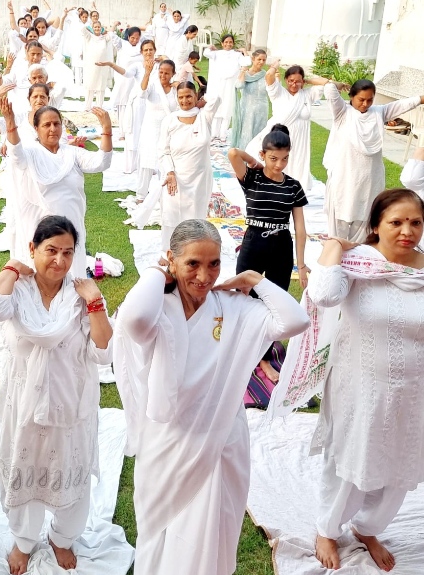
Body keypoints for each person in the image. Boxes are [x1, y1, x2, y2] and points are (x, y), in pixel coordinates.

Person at [114, 219, 309, 575]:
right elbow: (134, 319)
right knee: (158, 531)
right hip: (168, 441)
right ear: (172, 260)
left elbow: (294, 321)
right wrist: (156, 273)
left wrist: (255, 281)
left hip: (221, 439)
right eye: (192, 263)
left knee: (214, 534)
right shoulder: (159, 305)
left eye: (214, 263)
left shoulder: (230, 307)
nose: (205, 276)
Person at [296, 189, 424, 571]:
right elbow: (321, 295)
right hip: (361, 386)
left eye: (415, 222)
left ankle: (369, 528)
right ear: (376, 226)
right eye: (396, 222)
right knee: (351, 461)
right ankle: (327, 529)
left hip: (413, 390)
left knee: (401, 464)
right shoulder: (359, 264)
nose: (407, 231)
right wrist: (336, 247)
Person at [0, 215, 113, 575]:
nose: (59, 261)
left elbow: (105, 352)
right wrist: (12, 267)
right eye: (50, 250)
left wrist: (96, 301)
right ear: (32, 249)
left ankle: (62, 538)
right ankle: (24, 542)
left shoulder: (80, 292)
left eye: (68, 252)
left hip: (70, 402)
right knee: (25, 469)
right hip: (22, 403)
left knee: (69, 470)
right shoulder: (18, 289)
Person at [228, 125, 309, 382]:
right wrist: (254, 162)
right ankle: (236, 348)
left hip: (281, 246)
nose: (279, 164)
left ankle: (261, 358)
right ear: (264, 155)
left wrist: (302, 265)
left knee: (273, 304)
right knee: (243, 298)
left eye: (285, 158)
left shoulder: (293, 186)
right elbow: (232, 153)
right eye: (273, 158)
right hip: (253, 243)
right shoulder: (252, 178)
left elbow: (300, 228)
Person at [2, 98, 112, 277]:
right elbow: (15, 154)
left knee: (72, 268)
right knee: (43, 269)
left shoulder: (72, 153)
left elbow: (102, 162)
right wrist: (10, 123)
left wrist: (107, 130)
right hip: (40, 225)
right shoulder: (31, 153)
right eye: (46, 125)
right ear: (36, 129)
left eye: (56, 124)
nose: (52, 129)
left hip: (72, 222)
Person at [323, 80, 424, 243]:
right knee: (340, 221)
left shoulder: (379, 113)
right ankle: (336, 258)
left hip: (369, 180)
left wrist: (420, 98)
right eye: (361, 99)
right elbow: (329, 89)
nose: (365, 104)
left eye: (370, 100)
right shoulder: (342, 112)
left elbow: (406, 104)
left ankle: (357, 260)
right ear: (351, 97)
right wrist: (339, 84)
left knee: (365, 221)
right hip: (344, 179)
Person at [246, 64, 340, 192]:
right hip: (279, 136)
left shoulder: (307, 94)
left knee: (296, 163)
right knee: (277, 162)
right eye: (291, 81)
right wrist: (274, 66)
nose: (294, 84)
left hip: (300, 139)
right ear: (286, 80)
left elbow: (327, 83)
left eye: (298, 81)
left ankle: (293, 190)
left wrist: (307, 81)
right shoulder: (278, 92)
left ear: (302, 82)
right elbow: (268, 75)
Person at [157, 82, 220, 251]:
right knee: (172, 215)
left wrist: (203, 100)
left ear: (196, 96)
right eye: (181, 97)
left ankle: (193, 251)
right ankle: (169, 252)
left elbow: (216, 98)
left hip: (200, 177)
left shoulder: (204, 116)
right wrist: (170, 172)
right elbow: (163, 151)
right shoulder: (169, 120)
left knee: (196, 215)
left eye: (189, 96)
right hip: (176, 176)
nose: (185, 101)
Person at [95, 39, 155, 175]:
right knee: (134, 133)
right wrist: (110, 64)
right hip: (139, 103)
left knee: (150, 133)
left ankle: (149, 165)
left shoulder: (159, 66)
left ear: (155, 50)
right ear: (141, 52)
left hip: (153, 103)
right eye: (145, 50)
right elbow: (126, 73)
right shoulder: (137, 66)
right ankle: (132, 165)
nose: (148, 52)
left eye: (151, 49)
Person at [135, 57, 177, 201]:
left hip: (168, 131)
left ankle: (164, 194)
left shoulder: (175, 89)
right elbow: (141, 94)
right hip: (151, 130)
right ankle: (141, 194)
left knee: (166, 163)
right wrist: (147, 73)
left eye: (166, 73)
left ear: (173, 74)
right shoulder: (152, 85)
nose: (163, 76)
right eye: (161, 72)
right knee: (147, 163)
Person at [203, 35, 248, 142]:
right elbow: (206, 53)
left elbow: (247, 63)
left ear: (233, 43)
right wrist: (211, 47)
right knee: (217, 107)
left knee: (227, 108)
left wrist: (244, 51)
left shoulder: (237, 55)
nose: (228, 44)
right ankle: (214, 133)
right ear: (222, 43)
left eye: (230, 42)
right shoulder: (217, 54)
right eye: (226, 42)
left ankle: (223, 134)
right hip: (218, 85)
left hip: (230, 86)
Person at [230, 49, 268, 149]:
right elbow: (239, 85)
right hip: (247, 108)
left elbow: (272, 90)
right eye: (259, 59)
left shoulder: (266, 75)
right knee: (246, 132)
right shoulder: (245, 73)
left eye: (264, 60)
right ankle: (244, 155)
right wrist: (243, 71)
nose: (261, 62)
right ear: (253, 59)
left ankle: (257, 156)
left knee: (259, 132)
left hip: (262, 109)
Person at [80, 21, 112, 109]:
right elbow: (83, 29)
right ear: (93, 28)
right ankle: (87, 107)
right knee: (90, 86)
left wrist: (106, 30)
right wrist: (90, 25)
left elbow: (111, 34)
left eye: (99, 27)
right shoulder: (89, 36)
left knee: (100, 86)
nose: (97, 29)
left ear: (101, 28)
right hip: (91, 66)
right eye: (95, 27)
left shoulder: (104, 38)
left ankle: (99, 107)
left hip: (102, 66)